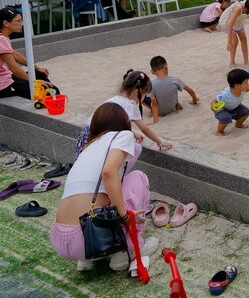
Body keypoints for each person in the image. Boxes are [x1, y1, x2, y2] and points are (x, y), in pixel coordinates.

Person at [51, 102, 158, 272]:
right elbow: (109, 173)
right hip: (86, 238)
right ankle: (125, 248)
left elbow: (115, 174)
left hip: (61, 240)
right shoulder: (123, 135)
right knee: (138, 177)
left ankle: (86, 261)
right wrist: (124, 216)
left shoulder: (88, 147)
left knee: (105, 190)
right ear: (124, 123)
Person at [75, 70, 172, 158]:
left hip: (86, 138)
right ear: (137, 92)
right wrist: (160, 142)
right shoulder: (130, 106)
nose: (144, 97)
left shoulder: (113, 100)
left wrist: (133, 133)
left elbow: (113, 123)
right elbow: (145, 129)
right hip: (99, 142)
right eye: (145, 94)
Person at [0, 6, 59, 98]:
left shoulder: (3, 37)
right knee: (53, 91)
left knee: (39, 74)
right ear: (6, 23)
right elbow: (14, 68)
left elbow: (14, 55)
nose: (21, 24)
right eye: (18, 21)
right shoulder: (1, 39)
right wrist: (34, 82)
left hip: (6, 79)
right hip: (3, 86)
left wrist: (37, 68)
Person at [145, 55, 200, 123]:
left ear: (152, 71)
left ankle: (151, 110)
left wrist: (155, 121)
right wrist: (194, 100)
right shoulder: (174, 80)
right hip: (172, 107)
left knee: (144, 95)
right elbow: (190, 91)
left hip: (160, 111)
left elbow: (154, 103)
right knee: (171, 89)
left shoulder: (152, 84)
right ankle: (177, 104)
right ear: (166, 67)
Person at [212, 68, 249, 135]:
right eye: (246, 83)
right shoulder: (225, 95)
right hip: (222, 109)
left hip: (234, 107)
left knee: (246, 111)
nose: (248, 84)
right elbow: (214, 101)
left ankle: (238, 124)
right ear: (237, 85)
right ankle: (219, 131)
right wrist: (213, 107)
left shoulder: (242, 90)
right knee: (226, 117)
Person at [219, 0, 249, 68]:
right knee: (235, 41)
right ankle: (232, 62)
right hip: (227, 22)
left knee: (244, 39)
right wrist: (229, 42)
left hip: (238, 23)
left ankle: (246, 61)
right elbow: (230, 25)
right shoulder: (238, 8)